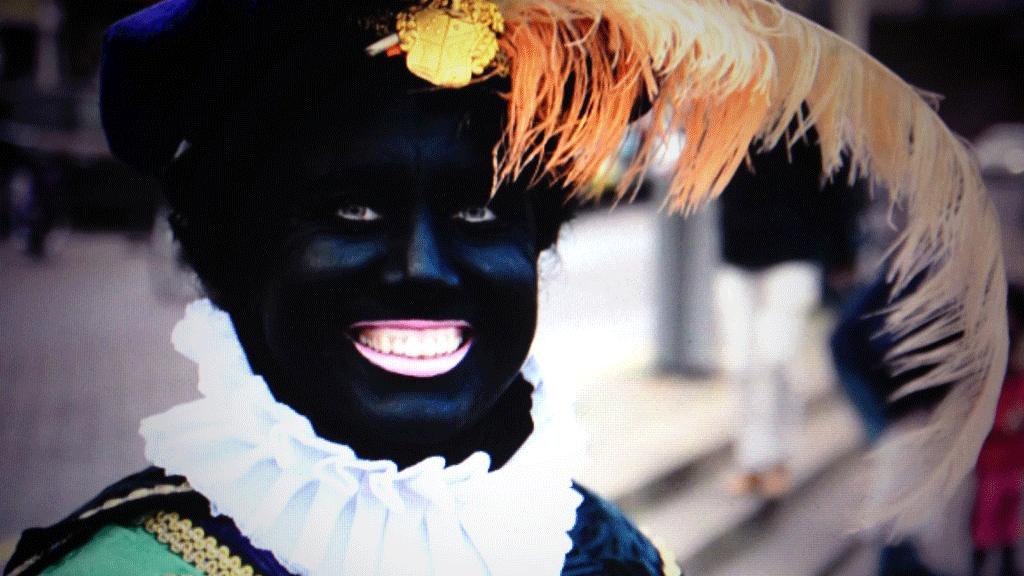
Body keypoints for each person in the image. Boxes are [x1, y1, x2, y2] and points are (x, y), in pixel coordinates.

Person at [2, 1, 1008, 575]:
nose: (427, 269)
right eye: (350, 212)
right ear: (233, 255)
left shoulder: (605, 557)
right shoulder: (125, 571)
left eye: (483, 215)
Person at [716, 135, 863, 497]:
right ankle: (752, 460)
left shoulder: (808, 114)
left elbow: (836, 182)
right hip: (737, 255)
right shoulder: (728, 105)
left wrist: (842, 254)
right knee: (741, 363)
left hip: (795, 252)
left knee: (775, 357)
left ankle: (774, 459)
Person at [971, 285, 1024, 576]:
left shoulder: (1018, 382)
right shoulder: (989, 385)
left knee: (1008, 513)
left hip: (1012, 461)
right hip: (993, 462)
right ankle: (980, 563)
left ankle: (1007, 561)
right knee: (987, 517)